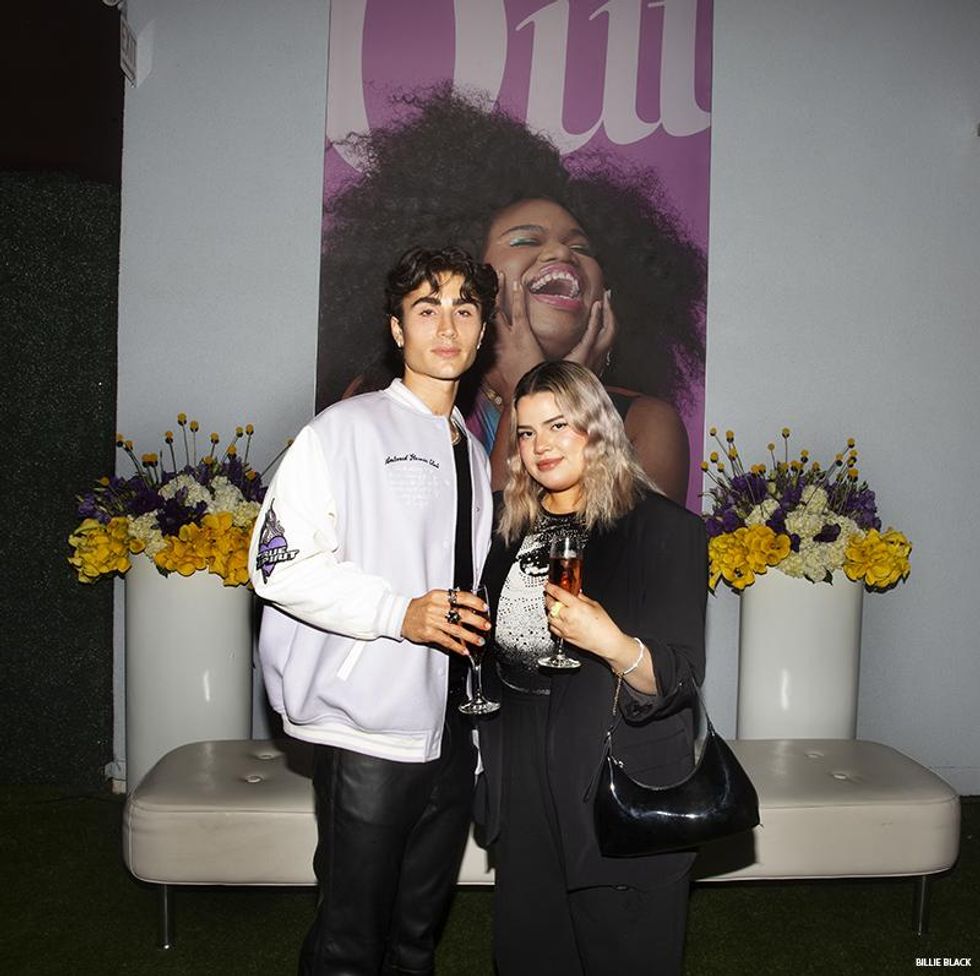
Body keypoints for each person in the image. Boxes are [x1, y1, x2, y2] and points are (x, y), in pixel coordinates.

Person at [249, 245, 498, 975]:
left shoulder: (473, 452)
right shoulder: (343, 431)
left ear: (483, 332)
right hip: (365, 728)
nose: (446, 326)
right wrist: (398, 613)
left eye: (464, 309)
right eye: (427, 308)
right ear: (397, 328)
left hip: (450, 727)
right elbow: (275, 564)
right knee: (350, 942)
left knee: (415, 938)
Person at [315, 87, 705, 504]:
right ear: (466, 275)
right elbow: (473, 536)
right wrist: (528, 387)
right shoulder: (381, 402)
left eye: (581, 248)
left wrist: (558, 393)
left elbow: (554, 544)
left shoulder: (644, 425)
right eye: (525, 240)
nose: (561, 254)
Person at [476, 361, 708, 975]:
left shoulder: (664, 530)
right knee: (530, 957)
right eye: (527, 432)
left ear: (598, 426)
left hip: (614, 784)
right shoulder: (503, 526)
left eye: (559, 425)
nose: (541, 446)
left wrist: (613, 643)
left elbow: (679, 679)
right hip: (522, 785)